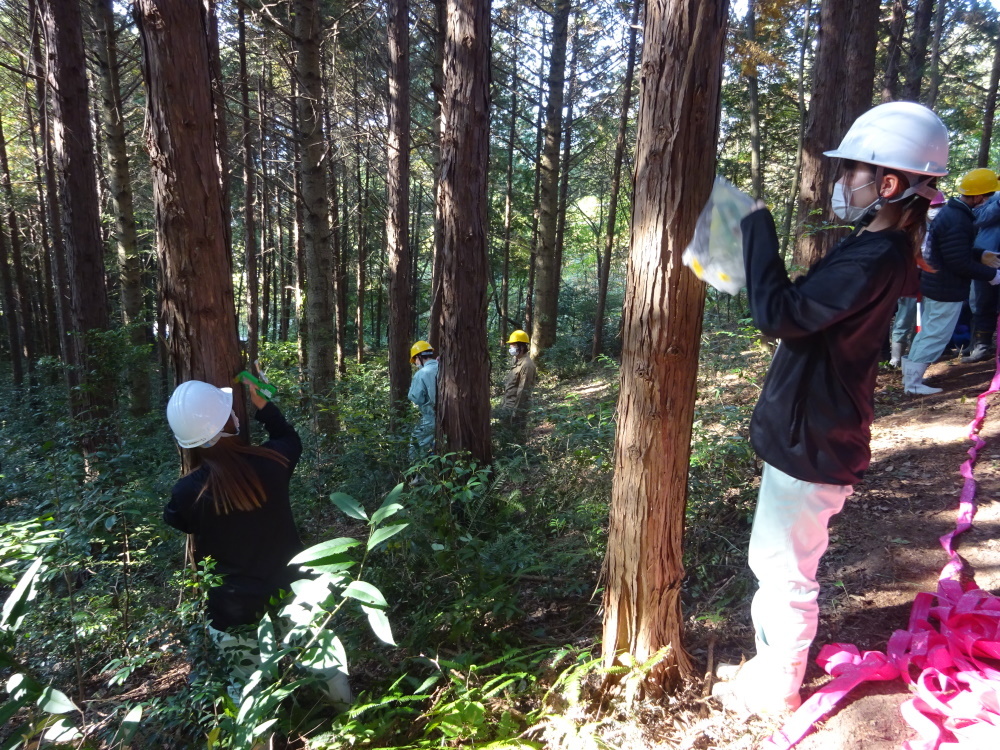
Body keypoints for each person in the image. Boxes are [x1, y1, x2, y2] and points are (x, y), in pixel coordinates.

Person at [716, 102, 948, 715]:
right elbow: (805, 309)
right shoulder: (873, 249)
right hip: (813, 431)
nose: (842, 184)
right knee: (776, 561)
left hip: (814, 439)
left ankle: (778, 688)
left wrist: (753, 226)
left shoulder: (877, 256)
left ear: (890, 183)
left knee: (783, 569)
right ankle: (775, 668)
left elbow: (782, 314)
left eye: (851, 173)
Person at [164, 379, 349, 705]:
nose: (237, 414)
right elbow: (289, 439)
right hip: (293, 591)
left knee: (249, 694)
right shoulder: (271, 462)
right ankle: (349, 719)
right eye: (231, 412)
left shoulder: (187, 492)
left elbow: (176, 519)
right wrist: (264, 405)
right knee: (325, 664)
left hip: (234, 610)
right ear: (227, 425)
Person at [903, 168, 1000, 393]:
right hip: (945, 288)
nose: (988, 201)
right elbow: (958, 262)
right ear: (976, 197)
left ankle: (910, 379)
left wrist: (980, 254)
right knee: (936, 334)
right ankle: (913, 384)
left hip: (937, 284)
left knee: (928, 331)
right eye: (987, 196)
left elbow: (954, 251)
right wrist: (992, 275)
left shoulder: (955, 213)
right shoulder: (958, 219)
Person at [889, 190, 946, 367]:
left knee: (923, 319)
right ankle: (895, 358)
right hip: (910, 278)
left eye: (939, 206)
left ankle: (914, 357)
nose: (936, 210)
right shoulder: (910, 227)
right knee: (904, 318)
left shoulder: (942, 227)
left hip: (930, 280)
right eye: (933, 206)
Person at [963, 186, 1000, 362]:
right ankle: (980, 345)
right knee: (980, 302)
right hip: (987, 257)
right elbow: (977, 218)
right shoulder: (994, 198)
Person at [498, 330, 537, 434]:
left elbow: (523, 390)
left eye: (513, 345)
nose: (511, 348)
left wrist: (516, 412)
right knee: (504, 434)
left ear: (522, 346)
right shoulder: (516, 360)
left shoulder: (527, 365)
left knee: (516, 435)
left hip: (516, 408)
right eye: (510, 345)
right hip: (507, 404)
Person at [407, 341, 438, 461]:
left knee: (415, 443)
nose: (415, 363)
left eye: (415, 360)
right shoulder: (443, 366)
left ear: (418, 357)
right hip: (452, 416)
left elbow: (416, 398)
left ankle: (416, 474)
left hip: (431, 417)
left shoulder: (421, 374)